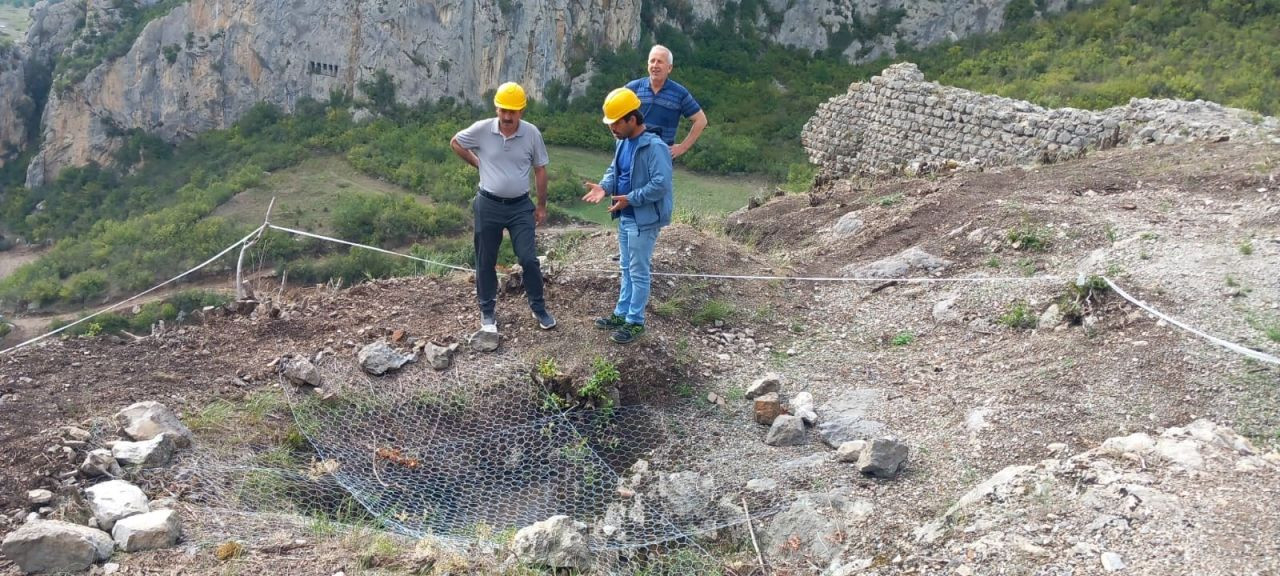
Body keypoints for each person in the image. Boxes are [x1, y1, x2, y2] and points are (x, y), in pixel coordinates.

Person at [450, 81, 556, 334]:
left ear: (521, 111)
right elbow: (456, 142)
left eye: (513, 111)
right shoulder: (483, 129)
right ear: (496, 108)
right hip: (488, 204)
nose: (507, 116)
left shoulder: (531, 134)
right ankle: (487, 312)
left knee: (529, 258)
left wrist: (541, 205)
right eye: (503, 110)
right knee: (485, 259)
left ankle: (538, 307)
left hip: (520, 206)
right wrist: (478, 163)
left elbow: (540, 169)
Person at [582, 87, 674, 345]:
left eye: (615, 122)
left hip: (644, 218)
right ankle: (622, 314)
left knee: (638, 270)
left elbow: (661, 184)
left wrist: (630, 198)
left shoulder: (655, 147)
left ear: (632, 119)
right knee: (626, 267)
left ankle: (635, 321)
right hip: (626, 216)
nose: (612, 127)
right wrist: (604, 187)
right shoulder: (622, 141)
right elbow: (615, 170)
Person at [625, 45, 708, 159]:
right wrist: (621, 141)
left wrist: (682, 147)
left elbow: (701, 120)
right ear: (648, 64)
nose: (655, 65)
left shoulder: (679, 93)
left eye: (659, 62)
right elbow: (613, 112)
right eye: (652, 61)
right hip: (632, 153)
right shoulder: (632, 88)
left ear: (669, 68)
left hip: (661, 157)